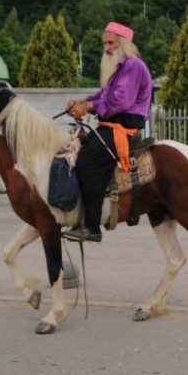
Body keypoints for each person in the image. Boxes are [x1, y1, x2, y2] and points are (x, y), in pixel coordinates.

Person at [63, 21, 153, 243]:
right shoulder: (120, 68)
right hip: (111, 126)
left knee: (86, 162)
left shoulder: (133, 65)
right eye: (105, 43)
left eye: (111, 43)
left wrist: (88, 108)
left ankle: (91, 227)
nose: (107, 48)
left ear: (123, 44)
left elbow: (120, 101)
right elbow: (103, 96)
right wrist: (82, 102)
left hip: (123, 127)